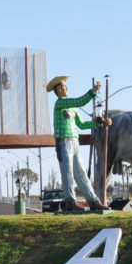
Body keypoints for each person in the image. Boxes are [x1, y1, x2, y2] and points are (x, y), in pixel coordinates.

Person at [48, 75, 112, 211]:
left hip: (74, 141)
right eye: (62, 86)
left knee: (81, 172)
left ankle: (93, 201)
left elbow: (82, 125)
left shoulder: (72, 108)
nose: (65, 88)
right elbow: (80, 101)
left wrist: (100, 123)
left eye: (65, 86)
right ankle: (70, 201)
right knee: (68, 172)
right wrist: (92, 92)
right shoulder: (60, 103)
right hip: (63, 142)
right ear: (58, 90)